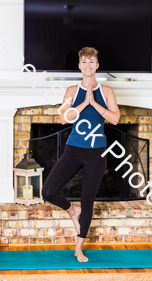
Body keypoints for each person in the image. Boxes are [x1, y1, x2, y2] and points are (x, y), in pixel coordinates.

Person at [42, 47, 120, 262]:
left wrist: (95, 103)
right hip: (73, 150)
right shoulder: (71, 91)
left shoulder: (107, 92)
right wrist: (84, 103)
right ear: (79, 66)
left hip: (97, 152)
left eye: (91, 61)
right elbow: (63, 119)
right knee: (48, 190)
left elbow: (115, 119)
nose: (88, 65)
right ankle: (71, 210)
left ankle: (78, 248)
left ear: (97, 65)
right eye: (84, 62)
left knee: (88, 201)